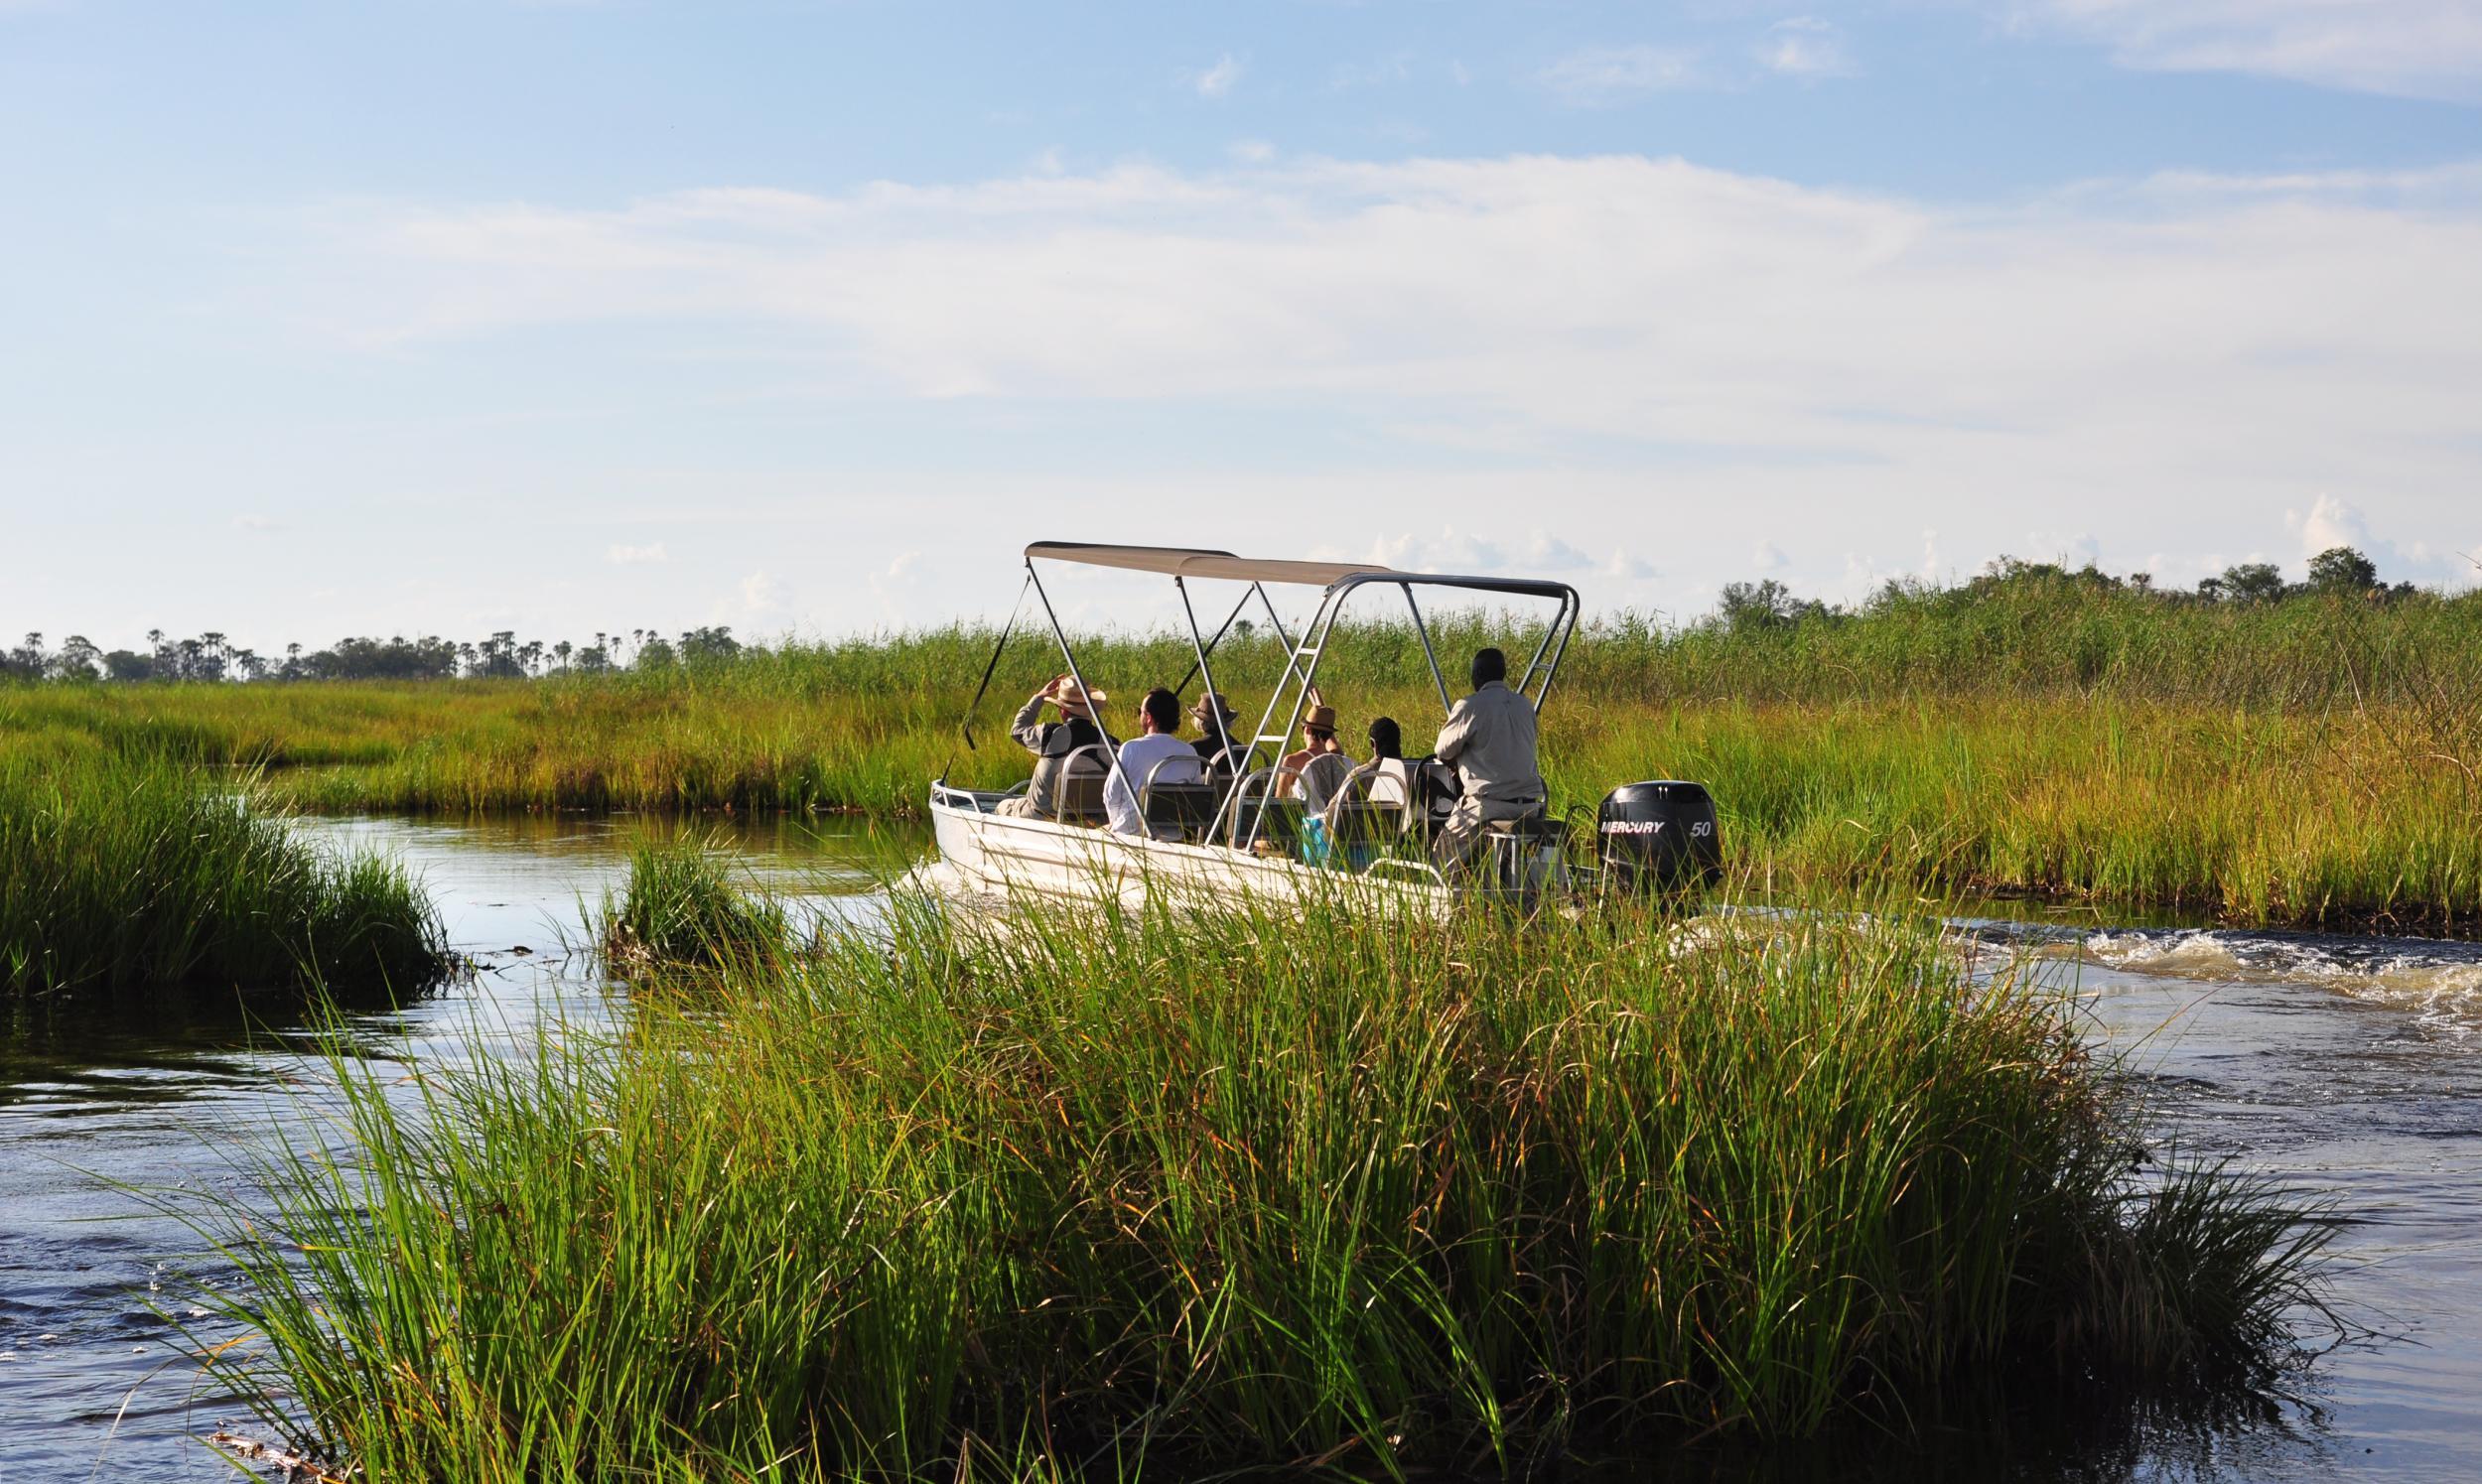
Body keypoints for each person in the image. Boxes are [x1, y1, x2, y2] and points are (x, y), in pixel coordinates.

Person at [1430, 647, 1546, 876]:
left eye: (1473, 674)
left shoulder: (1470, 705)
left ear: (1479, 674)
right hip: (1531, 807)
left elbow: (1442, 751)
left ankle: (1446, 904)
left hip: (1488, 805)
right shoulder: (1525, 706)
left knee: (1440, 862)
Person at [995, 675, 1117, 820]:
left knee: (1001, 806)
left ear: (1063, 710)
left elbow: (1017, 731)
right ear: (1090, 709)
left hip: (1041, 818)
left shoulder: (1049, 734)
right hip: (1087, 823)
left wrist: (1039, 697)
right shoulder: (1112, 744)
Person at [1105, 687, 1205, 836]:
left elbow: (1111, 795)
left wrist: (1115, 822)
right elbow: (1192, 797)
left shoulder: (1131, 748)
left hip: (1130, 832)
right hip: (1171, 835)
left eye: (1141, 712)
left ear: (1149, 717)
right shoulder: (1189, 752)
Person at [1281, 696, 1356, 813]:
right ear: (1329, 733)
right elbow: (1332, 742)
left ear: (1307, 730)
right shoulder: (1339, 757)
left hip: (1307, 824)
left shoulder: (1292, 761)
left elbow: (1279, 802)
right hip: (1336, 821)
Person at [1189, 691, 1248, 778]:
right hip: (1234, 792)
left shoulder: (1194, 747)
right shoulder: (1241, 750)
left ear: (1200, 721)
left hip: (1205, 792)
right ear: (1227, 720)